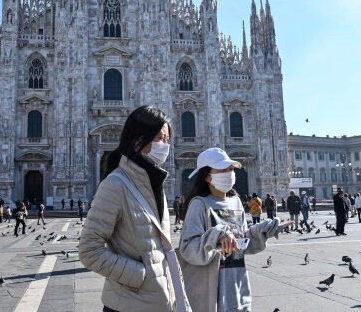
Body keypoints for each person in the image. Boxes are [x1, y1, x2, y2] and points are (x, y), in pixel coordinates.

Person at [78, 105, 177, 312]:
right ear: (139, 140)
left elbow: (156, 248)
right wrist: (140, 276)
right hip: (127, 304)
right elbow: (89, 250)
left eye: (167, 140)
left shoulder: (154, 185)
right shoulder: (115, 184)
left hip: (159, 303)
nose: (165, 146)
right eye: (160, 138)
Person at [178, 148, 292, 312]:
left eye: (230, 169)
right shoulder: (199, 204)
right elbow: (188, 249)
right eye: (222, 169)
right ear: (207, 176)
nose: (229, 173)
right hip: (212, 287)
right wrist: (217, 236)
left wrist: (263, 230)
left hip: (237, 282)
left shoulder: (235, 201)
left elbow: (241, 242)